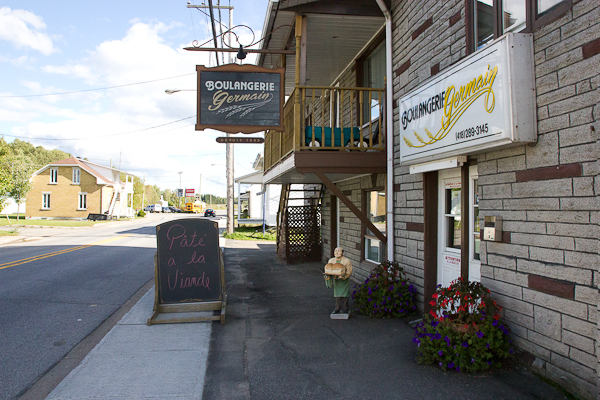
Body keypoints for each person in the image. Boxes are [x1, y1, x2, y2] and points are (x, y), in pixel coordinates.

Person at [324, 247, 352, 314]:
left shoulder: (347, 261)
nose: (337, 252)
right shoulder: (331, 261)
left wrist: (344, 276)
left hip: (344, 280)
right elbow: (329, 270)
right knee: (337, 295)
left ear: (343, 253)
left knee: (345, 295)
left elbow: (349, 271)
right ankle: (337, 308)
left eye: (339, 251)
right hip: (336, 280)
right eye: (335, 251)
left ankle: (345, 308)